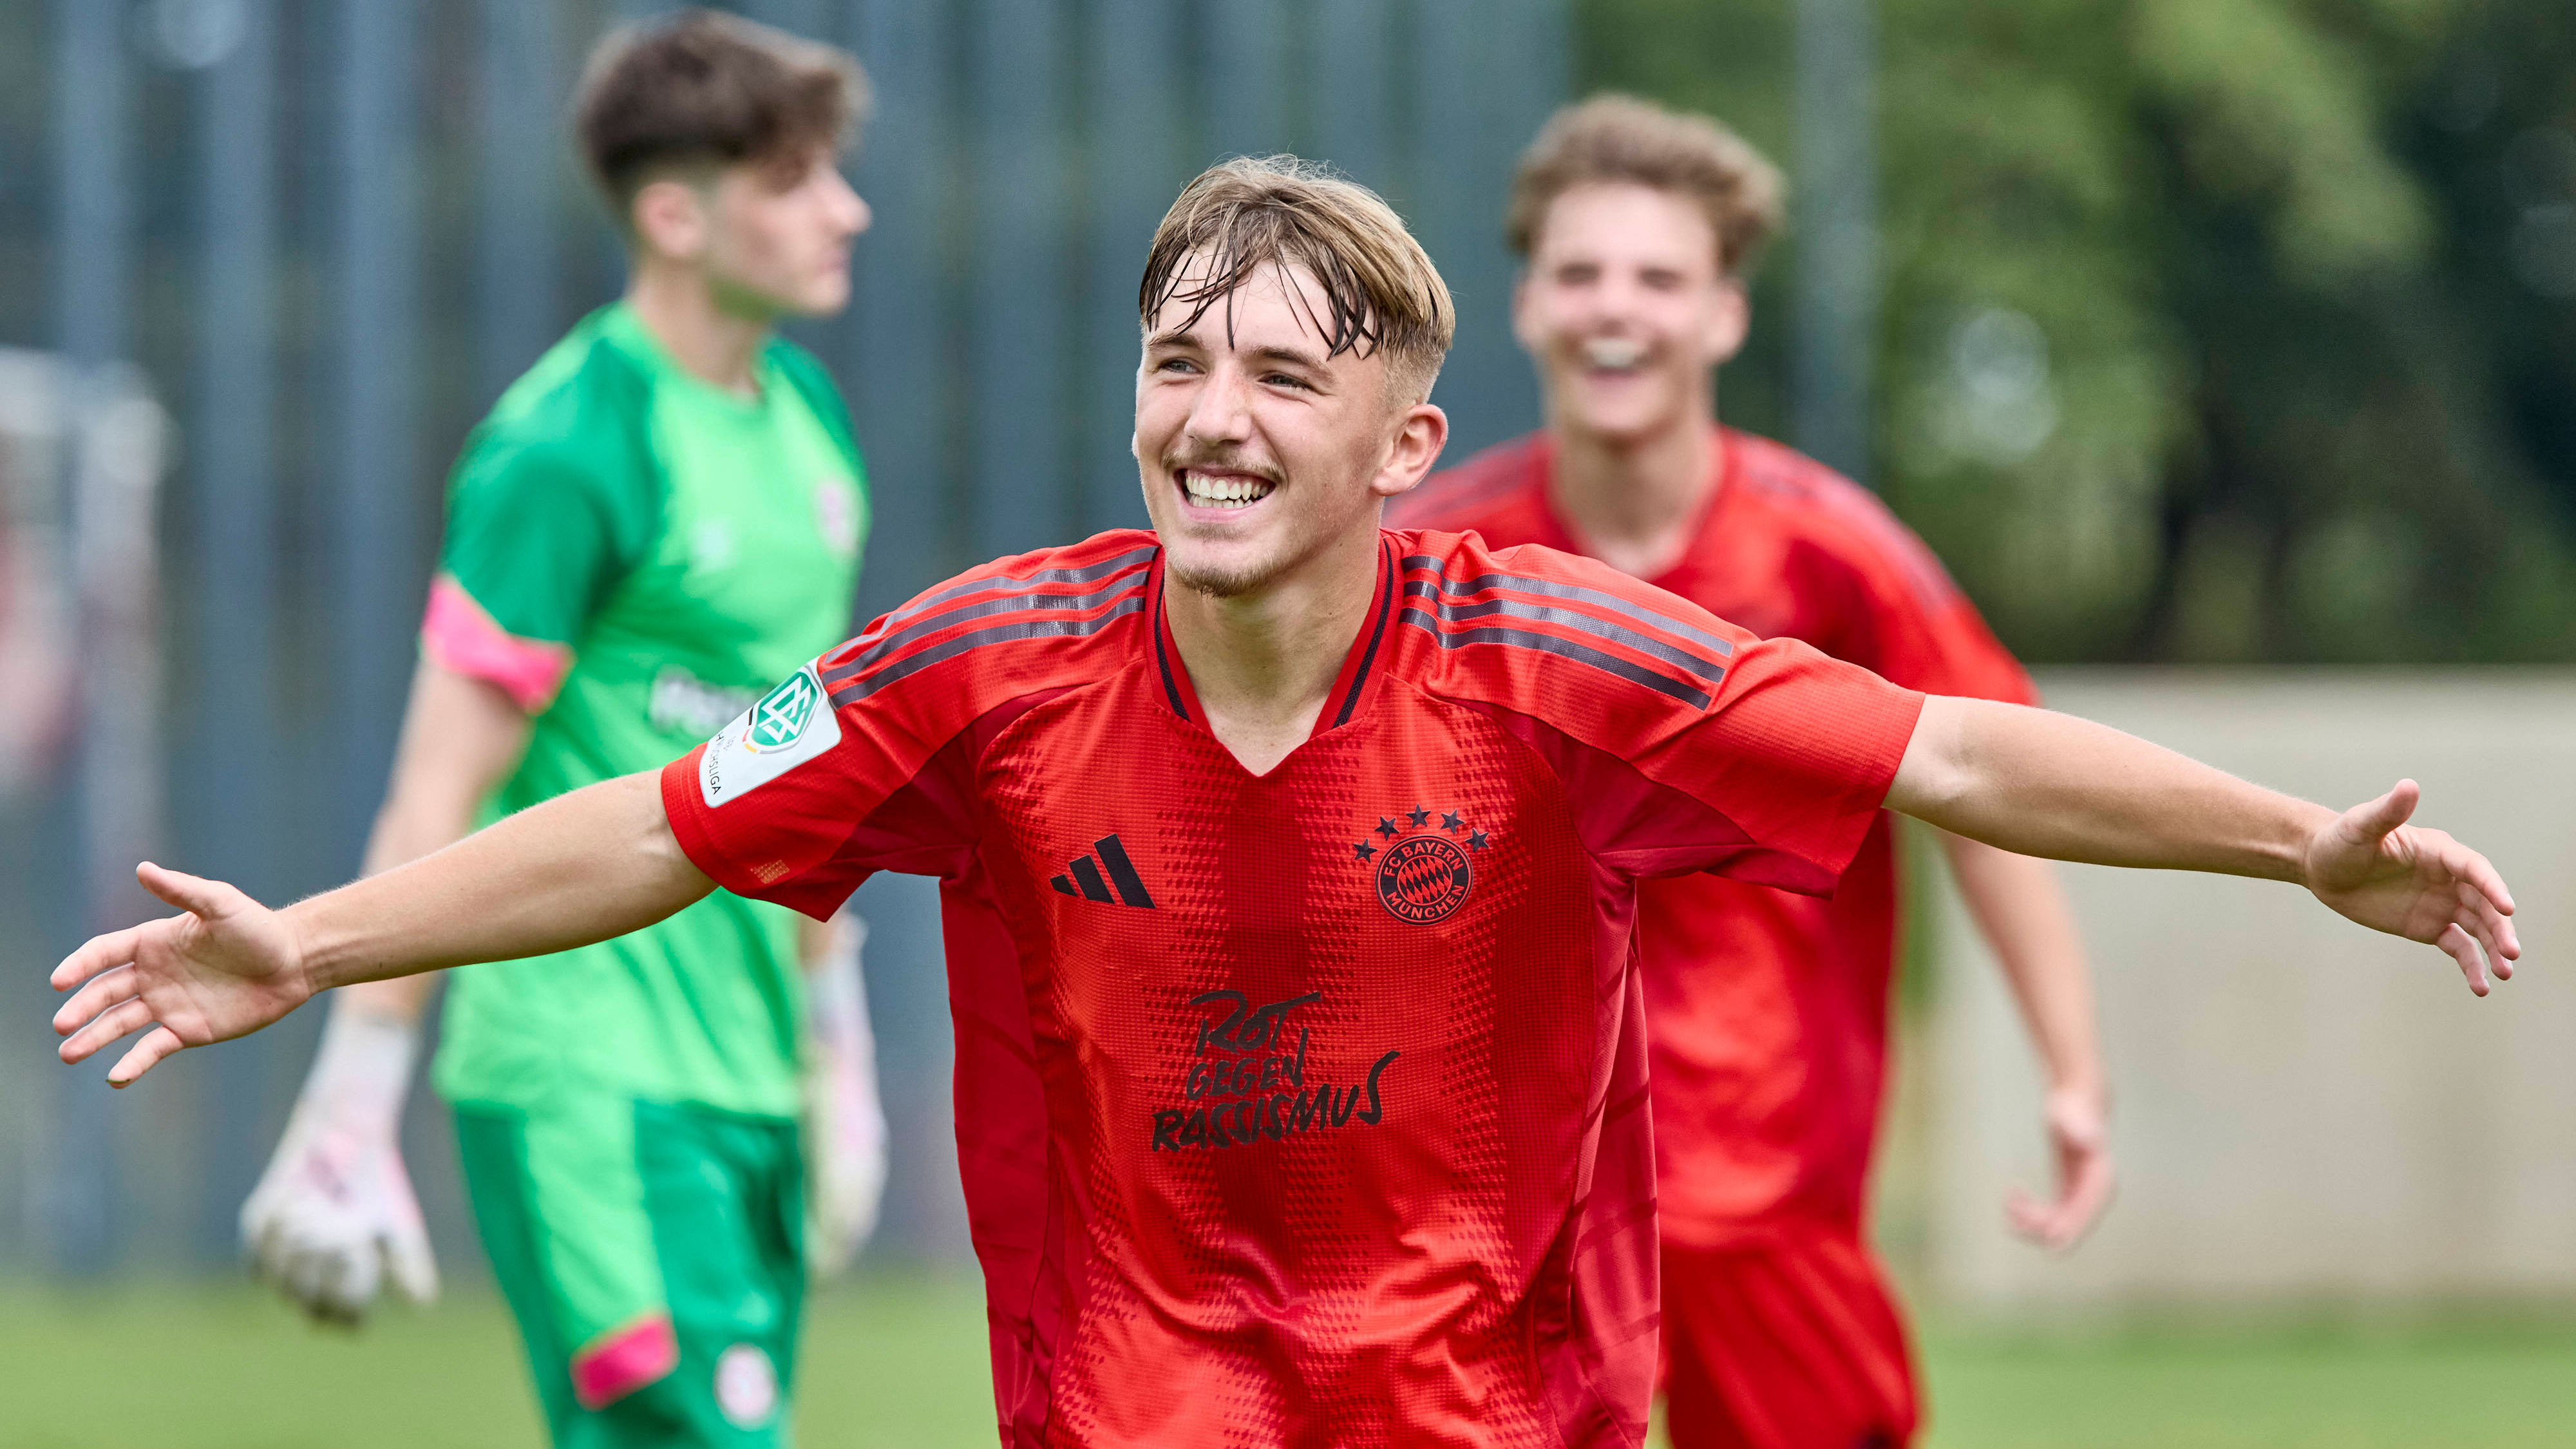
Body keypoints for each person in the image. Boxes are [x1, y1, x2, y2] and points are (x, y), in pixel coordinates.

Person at [55, 157, 2515, 1449]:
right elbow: (666, 817)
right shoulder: (978, 663)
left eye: (1277, 374)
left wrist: (2300, 847)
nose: (1210, 413)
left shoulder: (1565, 659)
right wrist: (321, 940)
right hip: (1136, 1413)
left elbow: (1955, 749)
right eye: (1174, 361)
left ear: (1404, 448)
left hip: (1501, 1406)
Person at [1389, 95, 2101, 1448]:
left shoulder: (1833, 556)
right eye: (1581, 272)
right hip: (1492, 1197)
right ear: (1528, 303)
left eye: (1658, 277)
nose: (1617, 308)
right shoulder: (1433, 563)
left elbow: (1987, 792)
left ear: (1722, 315)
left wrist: (2067, 1069)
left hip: (1765, 1176)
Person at [229, 13, 887, 1446]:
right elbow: (434, 792)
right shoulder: (566, 446)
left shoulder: (810, 430)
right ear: (673, 212)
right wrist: (351, 1104)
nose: (847, 208)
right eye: (793, 178)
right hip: (581, 1071)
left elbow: (816, 768)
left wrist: (840, 1060)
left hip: (744, 1073)